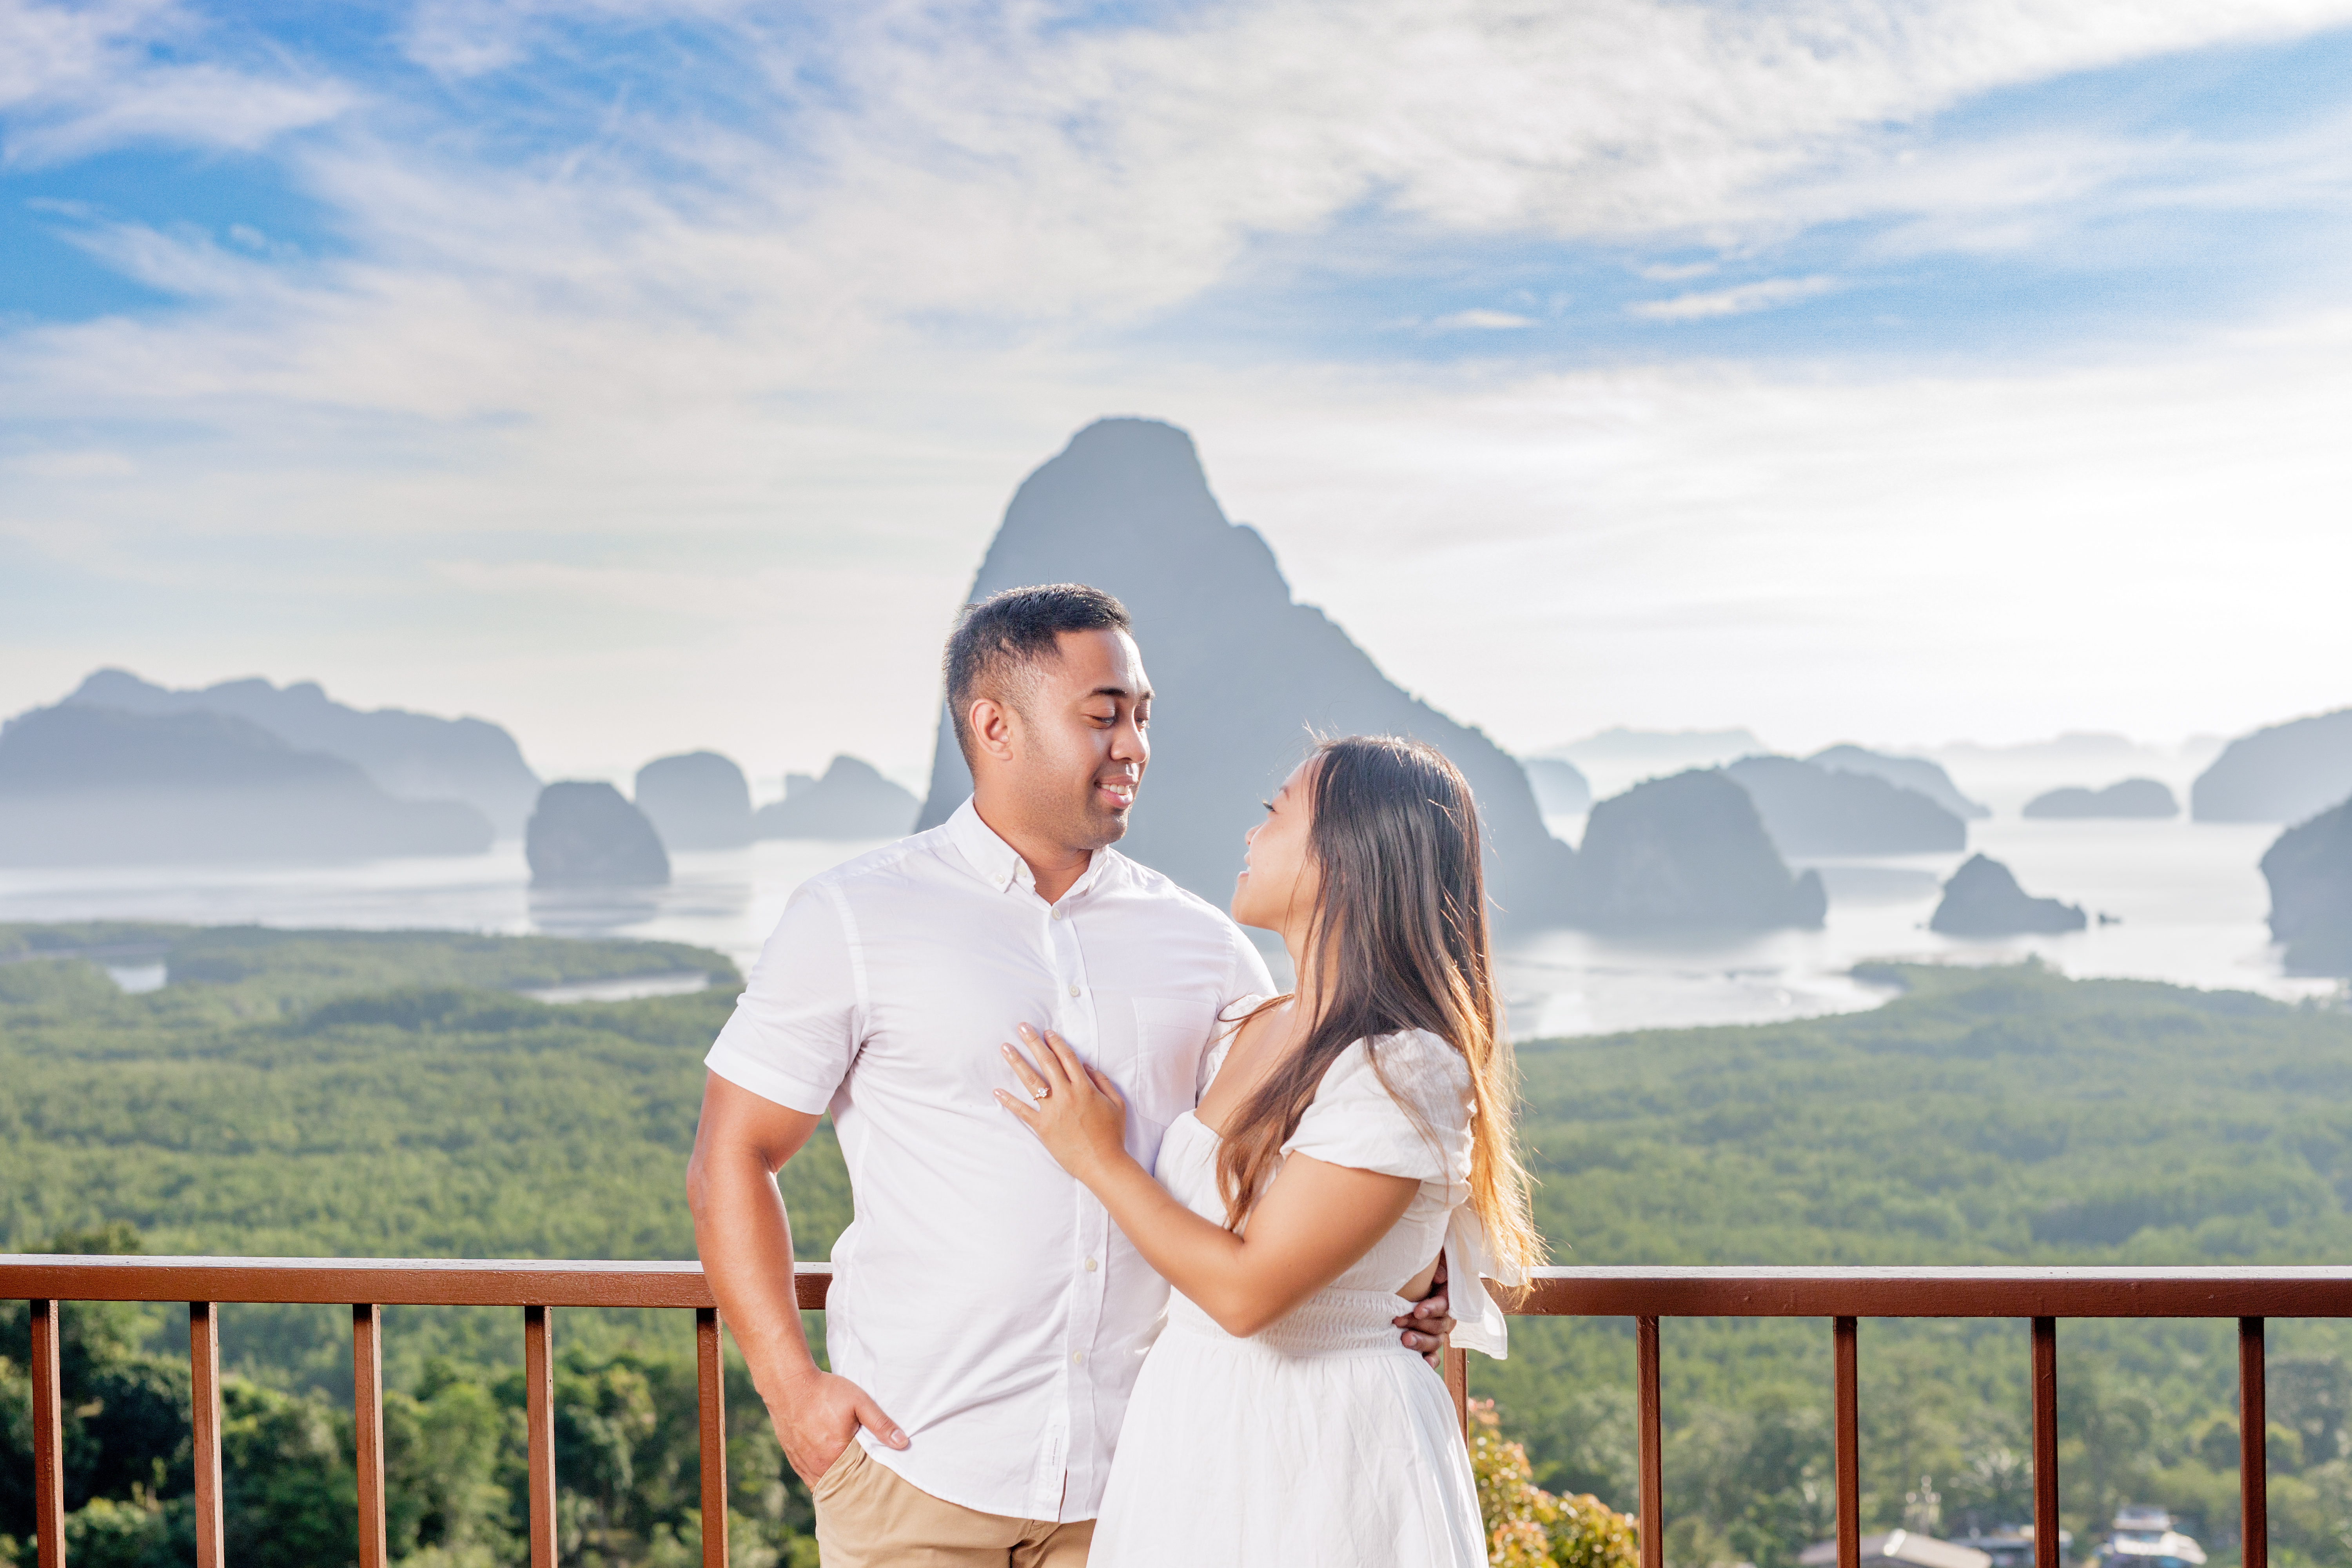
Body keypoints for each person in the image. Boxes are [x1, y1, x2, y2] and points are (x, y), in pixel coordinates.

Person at [686, 584, 1455, 1568]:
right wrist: (793, 1394)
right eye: (1104, 715)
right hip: (917, 1475)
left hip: (1150, 1489)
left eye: (1142, 716)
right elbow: (731, 1157)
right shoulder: (852, 916)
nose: (1134, 743)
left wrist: (1395, 1284)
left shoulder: (1209, 947)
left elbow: (1304, 1154)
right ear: (995, 724)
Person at [996, 733, 1544, 1566]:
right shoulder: (1257, 1023)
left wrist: (1097, 1156)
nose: (1251, 836)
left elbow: (1249, 1295)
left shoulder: (1406, 1060)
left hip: (1324, 1447)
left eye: (1275, 814)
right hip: (1194, 1428)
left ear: (1351, 854)